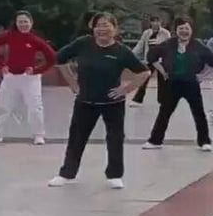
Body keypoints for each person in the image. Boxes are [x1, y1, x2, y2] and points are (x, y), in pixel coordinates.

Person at [49, 12, 150, 189]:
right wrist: (73, 83)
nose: (102, 29)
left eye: (106, 25)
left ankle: (115, 174)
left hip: (113, 104)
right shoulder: (83, 44)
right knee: (77, 138)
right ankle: (67, 173)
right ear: (93, 28)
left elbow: (144, 72)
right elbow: (59, 59)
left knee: (115, 139)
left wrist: (125, 89)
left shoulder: (121, 51)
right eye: (98, 25)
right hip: (85, 101)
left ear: (115, 28)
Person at [141, 17, 213, 151]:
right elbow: (151, 56)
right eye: (181, 28)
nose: (184, 31)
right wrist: (163, 71)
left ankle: (204, 141)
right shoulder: (168, 44)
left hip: (191, 84)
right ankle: (155, 141)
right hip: (172, 84)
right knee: (164, 113)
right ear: (176, 30)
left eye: (186, 28)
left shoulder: (197, 45)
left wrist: (202, 76)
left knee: (199, 113)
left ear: (191, 30)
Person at [0, 11, 57, 144]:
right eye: (20, 21)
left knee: (35, 107)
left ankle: (38, 135)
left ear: (31, 23)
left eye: (26, 21)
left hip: (30, 78)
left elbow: (52, 57)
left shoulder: (35, 40)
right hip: (10, 77)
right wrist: (1, 64)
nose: (23, 24)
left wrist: (38, 70)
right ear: (16, 23)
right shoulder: (9, 36)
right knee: (2, 106)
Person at [130, 16, 171, 106]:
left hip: (161, 60)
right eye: (153, 21)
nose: (155, 23)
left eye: (157, 21)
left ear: (160, 22)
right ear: (150, 23)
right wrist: (131, 55)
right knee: (144, 78)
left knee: (163, 80)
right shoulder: (147, 33)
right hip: (149, 59)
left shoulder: (165, 33)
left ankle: (162, 100)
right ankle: (137, 100)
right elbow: (140, 45)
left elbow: (169, 47)